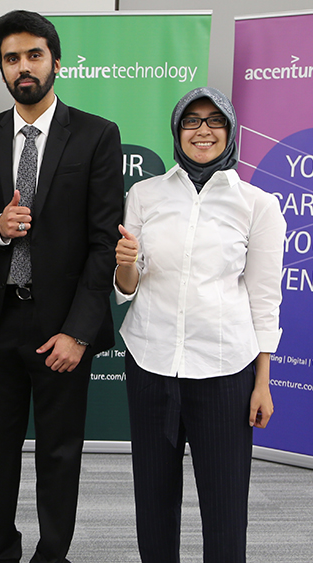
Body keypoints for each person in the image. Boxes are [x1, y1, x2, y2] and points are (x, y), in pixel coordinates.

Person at [0, 10, 124, 563]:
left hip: (62, 328)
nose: (23, 68)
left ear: (55, 60)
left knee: (59, 453)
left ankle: (54, 554)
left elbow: (104, 243)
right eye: (11, 59)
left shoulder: (97, 135)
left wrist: (79, 332)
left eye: (33, 55)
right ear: (1, 69)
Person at [114, 87, 284, 563]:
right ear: (176, 131)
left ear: (230, 132)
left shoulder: (257, 204)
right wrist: (124, 263)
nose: (203, 130)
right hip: (151, 362)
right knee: (153, 498)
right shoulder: (144, 194)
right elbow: (127, 286)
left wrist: (262, 383)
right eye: (191, 121)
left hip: (226, 369)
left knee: (225, 504)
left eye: (214, 121)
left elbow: (265, 297)